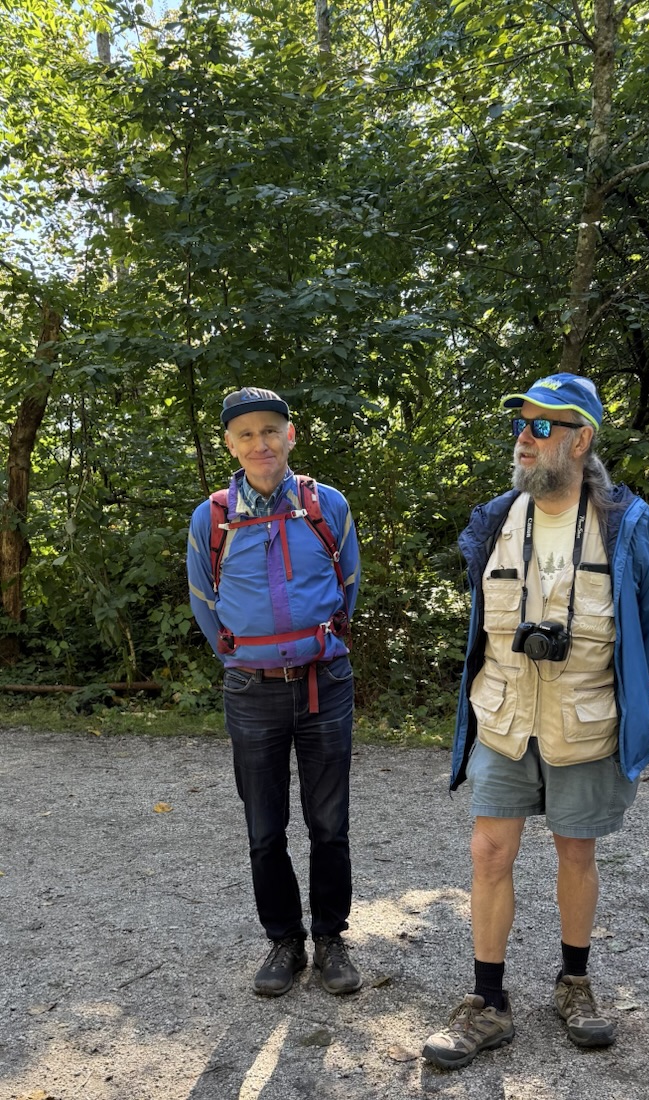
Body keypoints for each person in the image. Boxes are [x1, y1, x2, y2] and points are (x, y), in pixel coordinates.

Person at [422, 373, 649, 1069]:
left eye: (540, 427)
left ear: (581, 438)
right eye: (520, 425)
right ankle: (487, 1002)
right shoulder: (496, 518)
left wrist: (616, 699)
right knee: (490, 853)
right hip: (503, 716)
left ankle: (574, 983)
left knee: (576, 853)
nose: (523, 440)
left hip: (585, 720)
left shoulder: (630, 524)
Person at [187, 386, 362, 998]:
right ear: (230, 445)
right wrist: (244, 658)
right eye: (245, 434)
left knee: (329, 824)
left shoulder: (327, 505)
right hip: (251, 691)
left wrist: (313, 646)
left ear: (291, 434)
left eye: (270, 430)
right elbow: (205, 603)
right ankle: (283, 941)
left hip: (325, 684)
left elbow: (348, 586)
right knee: (264, 827)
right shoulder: (211, 518)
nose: (259, 443)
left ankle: (331, 939)